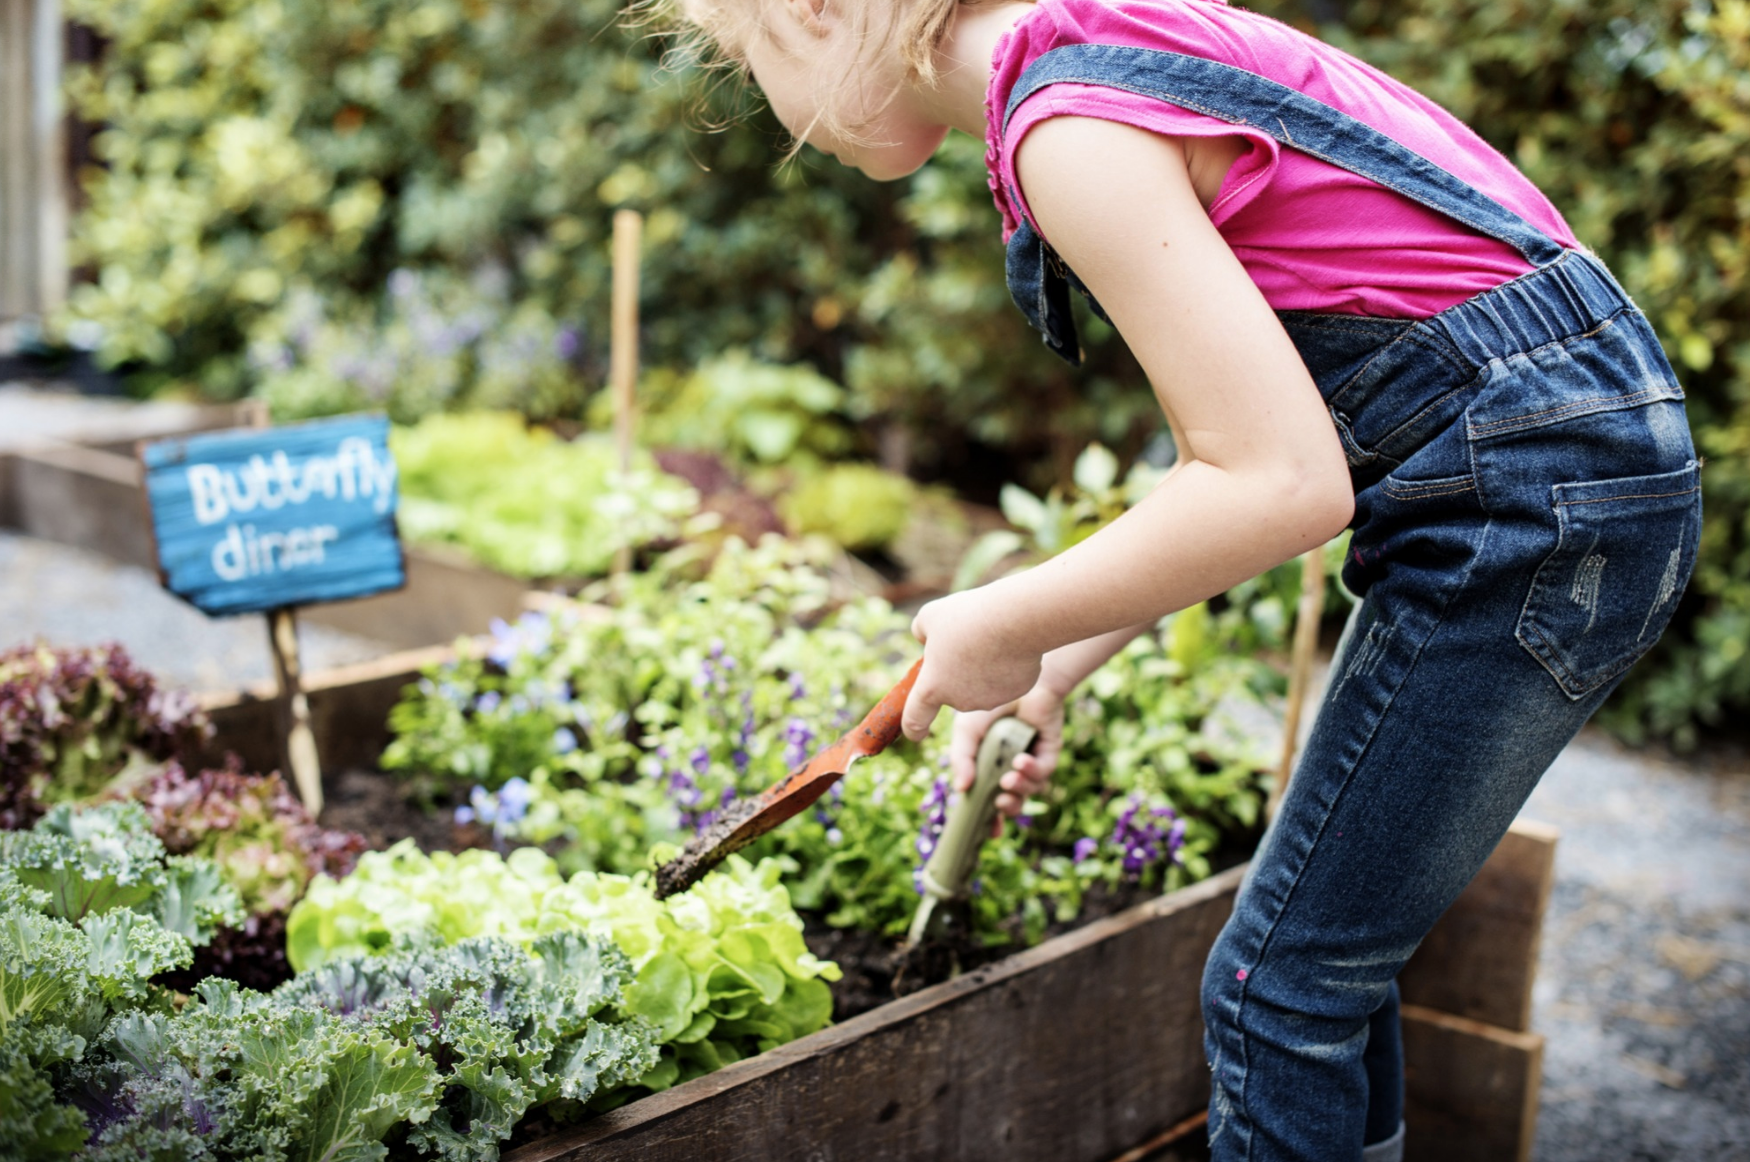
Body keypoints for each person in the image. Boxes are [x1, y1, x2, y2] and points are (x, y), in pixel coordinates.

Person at [655, 0, 1702, 1157]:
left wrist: (1000, 616)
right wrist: (1048, 663)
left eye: (749, 63)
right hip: (1572, 467)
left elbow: (1281, 484)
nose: (775, 116)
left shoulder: (1070, 130)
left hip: (1529, 499)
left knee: (1273, 994)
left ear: (814, 10)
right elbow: (1233, 464)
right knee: (1322, 969)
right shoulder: (1099, 49)